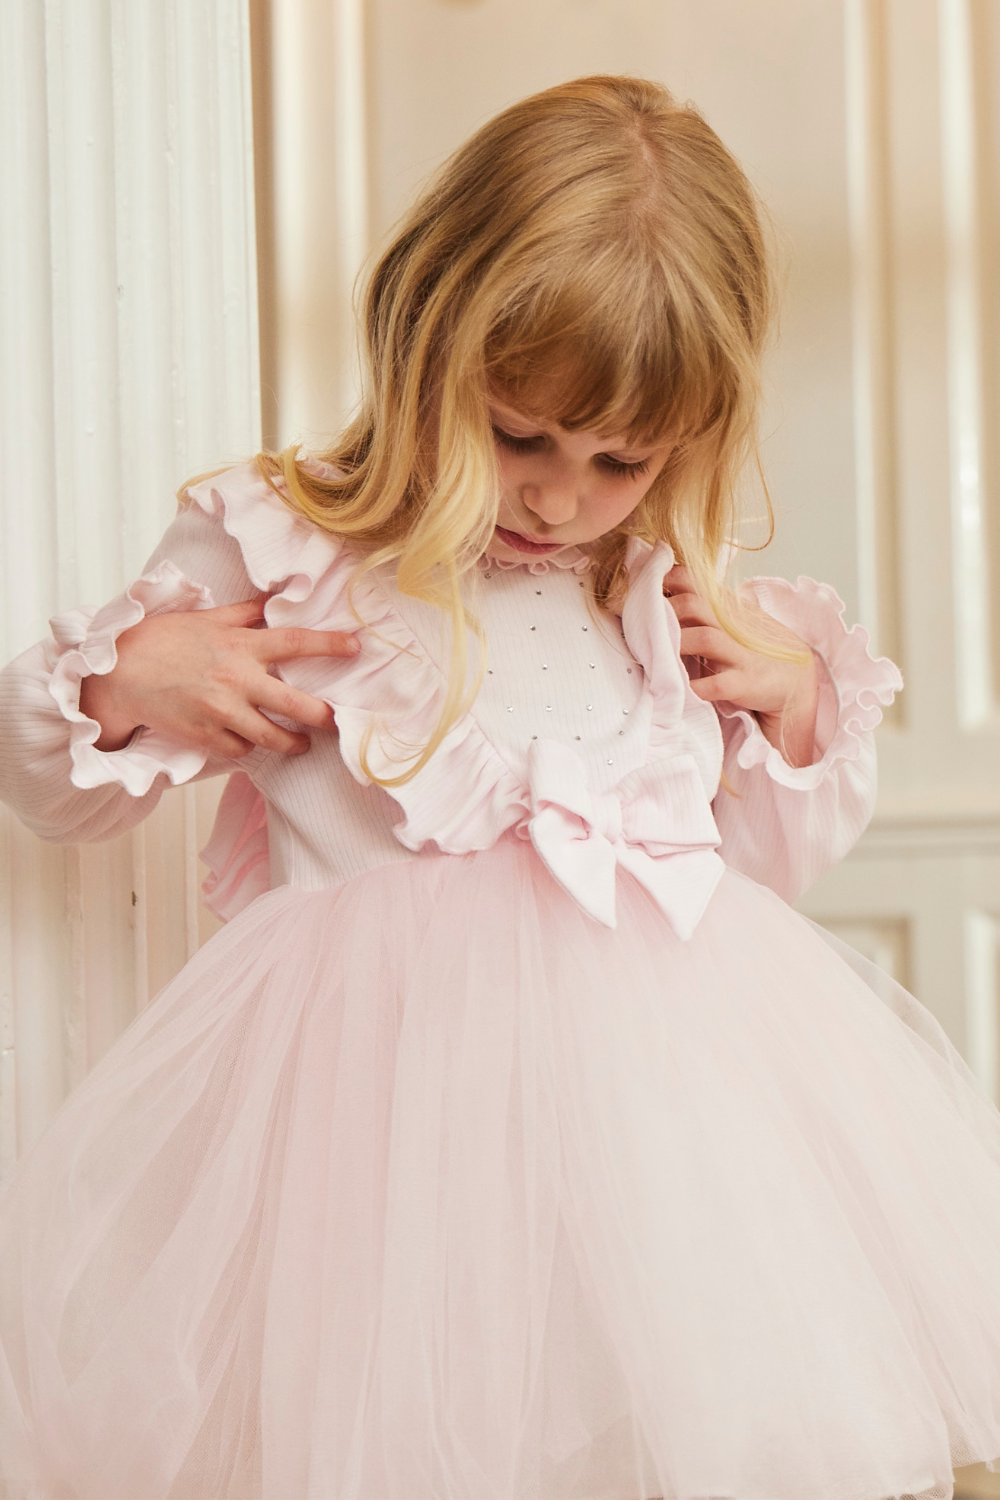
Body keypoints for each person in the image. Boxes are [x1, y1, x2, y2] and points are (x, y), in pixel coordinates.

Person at [1, 73, 999, 1500]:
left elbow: (753, 874)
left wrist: (792, 714)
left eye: (619, 461)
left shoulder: (665, 590)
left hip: (671, 1150)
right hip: (386, 1152)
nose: (558, 498)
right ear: (428, 332)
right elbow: (63, 799)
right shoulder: (289, 548)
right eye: (521, 432)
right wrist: (120, 686)